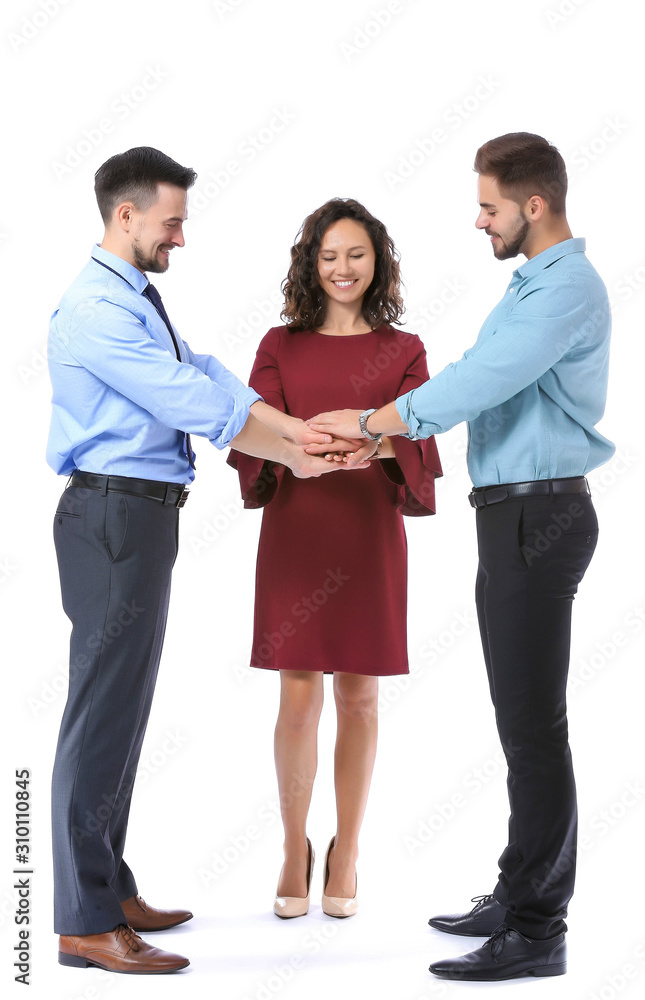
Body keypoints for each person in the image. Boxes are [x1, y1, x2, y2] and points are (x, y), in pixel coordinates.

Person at [47, 147, 362, 975]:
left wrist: (288, 432)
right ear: (126, 216)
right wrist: (291, 445)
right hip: (113, 513)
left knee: (123, 711)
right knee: (101, 714)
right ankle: (83, 919)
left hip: (139, 516)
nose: (180, 236)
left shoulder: (134, 299)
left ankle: (107, 888)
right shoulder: (94, 308)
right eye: (171, 221)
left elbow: (202, 370)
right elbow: (179, 396)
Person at [309, 133, 614, 980]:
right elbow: (479, 370)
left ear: (534, 205)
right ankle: (518, 888)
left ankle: (535, 930)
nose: (479, 220)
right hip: (512, 517)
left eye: (489, 206)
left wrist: (373, 423)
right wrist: (378, 440)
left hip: (538, 518)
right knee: (522, 725)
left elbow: (484, 381)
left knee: (533, 729)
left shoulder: (567, 288)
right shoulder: (531, 285)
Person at [228, 198, 441, 920]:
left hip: (367, 532)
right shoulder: (279, 344)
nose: (342, 268)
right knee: (295, 699)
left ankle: (346, 847)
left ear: (375, 260)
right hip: (298, 527)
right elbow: (254, 425)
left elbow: (420, 429)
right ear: (309, 263)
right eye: (328, 255)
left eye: (355, 254)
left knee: (359, 697)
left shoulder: (403, 348)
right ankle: (294, 845)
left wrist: (371, 443)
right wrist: (305, 448)